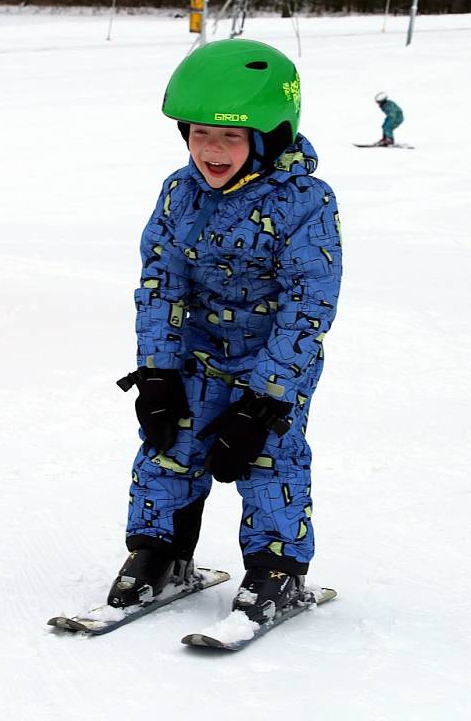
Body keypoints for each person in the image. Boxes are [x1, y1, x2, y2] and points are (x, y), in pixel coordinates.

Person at [108, 39, 343, 624]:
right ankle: (160, 552)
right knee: (168, 450)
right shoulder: (179, 192)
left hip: (273, 363)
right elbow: (161, 282)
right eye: (199, 134)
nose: (211, 150)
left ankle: (277, 569)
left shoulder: (305, 204)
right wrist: (157, 374)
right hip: (197, 355)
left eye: (230, 137)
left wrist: (264, 400)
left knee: (269, 461)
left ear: (269, 138)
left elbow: (307, 304)